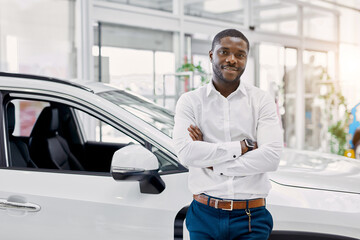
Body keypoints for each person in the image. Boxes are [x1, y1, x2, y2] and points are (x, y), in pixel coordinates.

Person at [172, 29, 283, 240]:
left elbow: (271, 157)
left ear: (246, 60)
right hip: (204, 214)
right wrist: (242, 147)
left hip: (251, 217)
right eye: (224, 52)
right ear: (212, 55)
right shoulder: (190, 102)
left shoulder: (261, 100)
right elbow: (186, 153)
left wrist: (211, 161)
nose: (232, 59)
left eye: (240, 55)